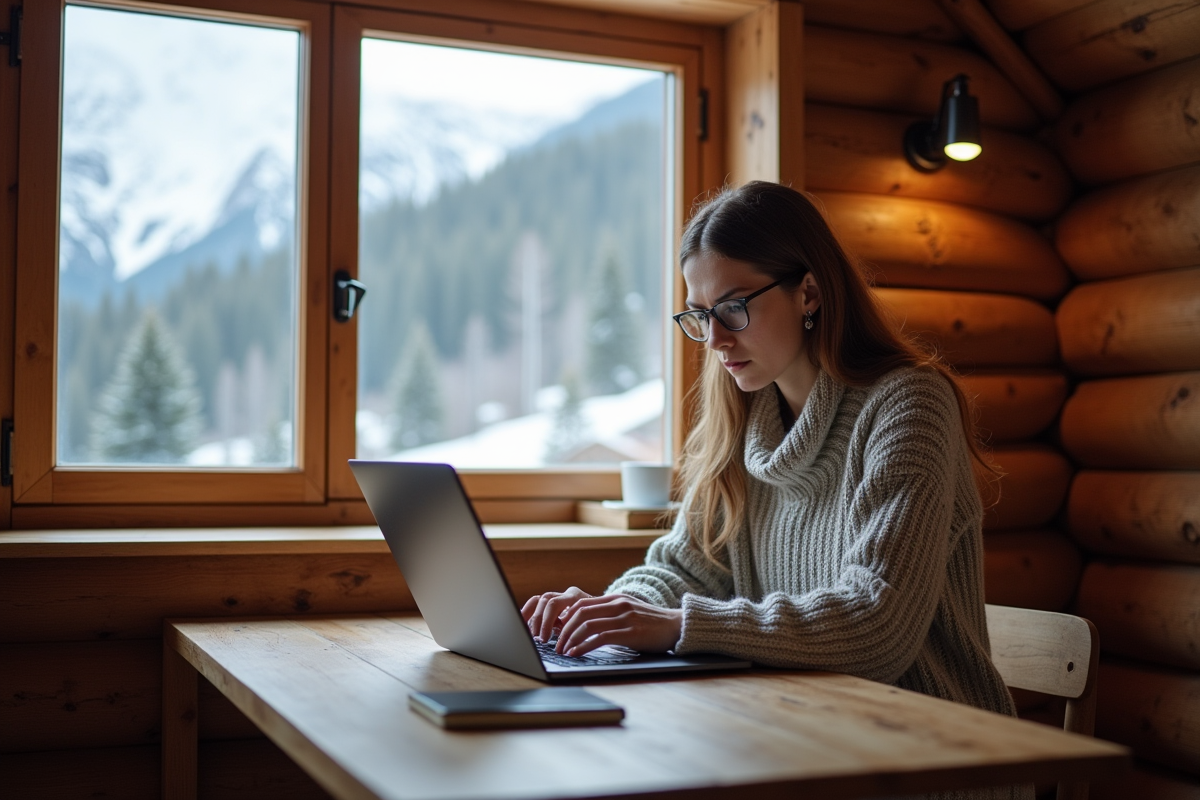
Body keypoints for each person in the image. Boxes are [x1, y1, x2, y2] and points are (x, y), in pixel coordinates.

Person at [522, 181, 1029, 799]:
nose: (715, 340)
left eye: (734, 307)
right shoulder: (740, 421)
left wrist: (673, 624)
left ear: (809, 291)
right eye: (700, 316)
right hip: (805, 739)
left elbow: (878, 627)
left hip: (935, 762)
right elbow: (685, 568)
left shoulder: (908, 405)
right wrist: (600, 621)